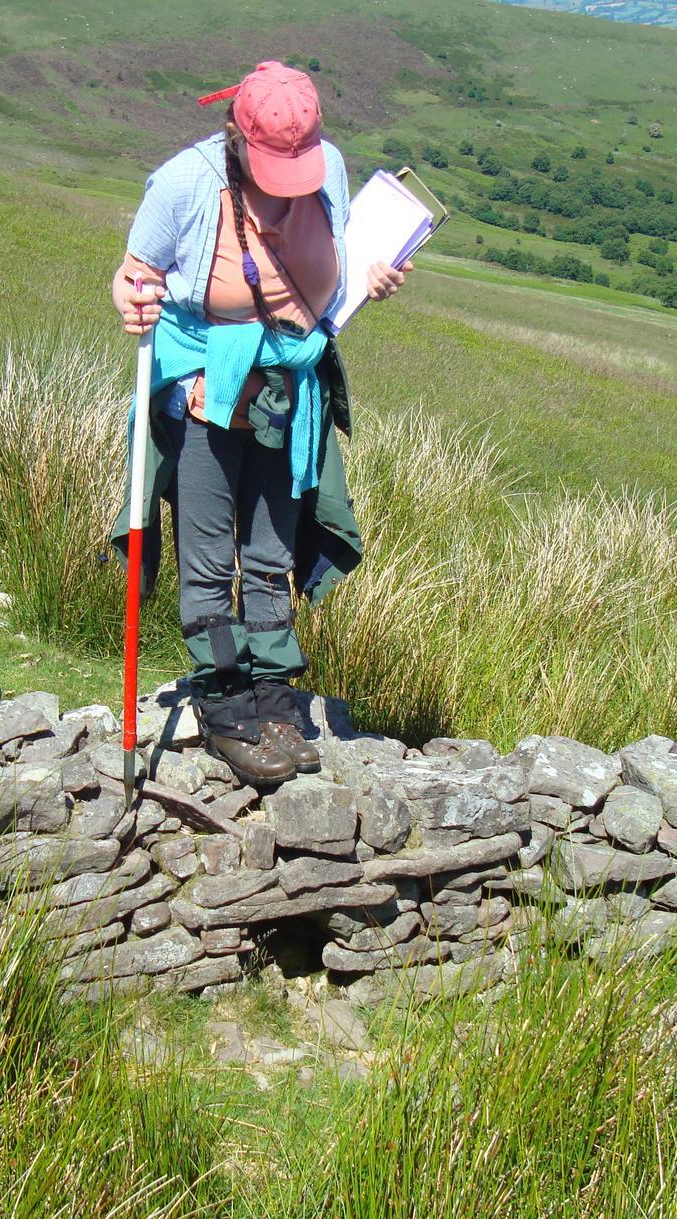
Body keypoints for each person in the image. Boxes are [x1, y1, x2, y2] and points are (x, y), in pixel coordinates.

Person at [108, 60, 410, 788]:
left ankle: (274, 700)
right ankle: (224, 703)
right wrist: (132, 300)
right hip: (209, 399)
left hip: (287, 398)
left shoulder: (329, 168)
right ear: (238, 137)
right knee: (210, 560)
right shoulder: (183, 184)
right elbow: (132, 273)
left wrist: (372, 275)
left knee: (271, 555)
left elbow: (335, 265)